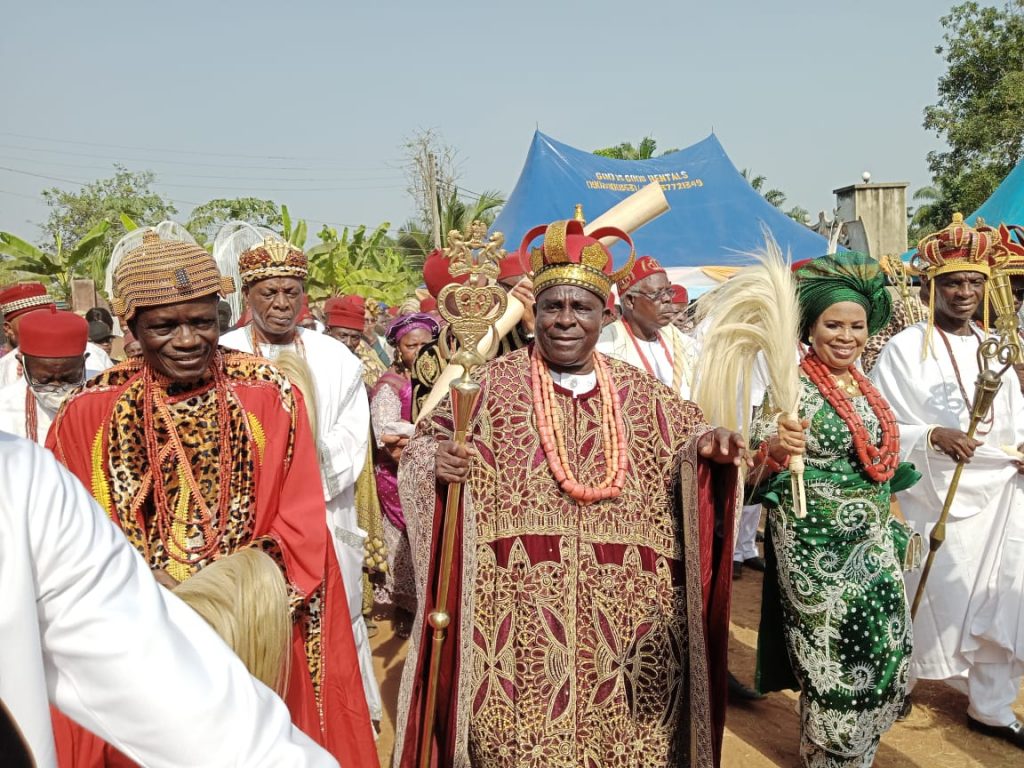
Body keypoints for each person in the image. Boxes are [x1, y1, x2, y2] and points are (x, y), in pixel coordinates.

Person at [393, 218, 745, 768]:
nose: (564, 320)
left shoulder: (644, 394)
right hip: (516, 627)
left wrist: (711, 451)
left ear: (606, 314)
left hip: (628, 623)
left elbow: (690, 444)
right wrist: (435, 461)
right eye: (553, 306)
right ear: (536, 312)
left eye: (580, 308)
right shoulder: (488, 386)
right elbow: (419, 449)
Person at [46, 231, 377, 767]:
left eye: (202, 322)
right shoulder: (89, 412)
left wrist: (220, 605)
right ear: (131, 329)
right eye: (164, 326)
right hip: (139, 642)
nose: (186, 340)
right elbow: (66, 540)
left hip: (256, 635)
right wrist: (156, 597)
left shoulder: (271, 397)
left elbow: (297, 528)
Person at [0, 431, 338, 768]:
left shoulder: (22, 480)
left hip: (250, 634)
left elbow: (189, 706)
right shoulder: (82, 416)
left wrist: (224, 595)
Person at [746, 252, 919, 767]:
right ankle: (829, 758)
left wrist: (896, 521)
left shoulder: (867, 390)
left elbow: (882, 463)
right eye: (833, 324)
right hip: (812, 546)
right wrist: (776, 445)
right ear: (810, 328)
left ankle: (858, 754)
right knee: (834, 655)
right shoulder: (787, 386)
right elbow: (753, 468)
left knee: (883, 645)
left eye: (857, 326)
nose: (846, 336)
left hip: (873, 541)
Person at [870, 214, 1024, 749]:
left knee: (998, 593)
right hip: (934, 495)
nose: (964, 292)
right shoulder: (905, 348)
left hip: (1000, 496)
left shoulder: (998, 345)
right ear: (931, 285)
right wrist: (932, 433)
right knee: (929, 589)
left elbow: (1015, 420)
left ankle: (991, 705)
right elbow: (880, 420)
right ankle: (902, 680)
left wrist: (1022, 450)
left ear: (987, 287)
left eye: (974, 282)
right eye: (953, 282)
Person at [218, 232, 381, 726]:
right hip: (246, 525)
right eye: (269, 292)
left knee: (333, 623)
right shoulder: (221, 355)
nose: (282, 303)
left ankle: (343, 725)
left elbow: (352, 441)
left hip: (324, 517)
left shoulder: (338, 359)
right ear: (248, 296)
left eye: (292, 291)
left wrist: (294, 491)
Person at [369, 313, 439, 636]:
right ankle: (405, 608)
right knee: (405, 544)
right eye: (413, 345)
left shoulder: (441, 379)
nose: (420, 350)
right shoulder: (390, 386)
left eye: (427, 344)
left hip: (434, 471)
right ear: (399, 349)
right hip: (398, 476)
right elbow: (386, 435)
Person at [597, 255, 698, 399]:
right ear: (630, 301)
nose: (668, 299)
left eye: (668, 291)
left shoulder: (676, 337)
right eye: (657, 293)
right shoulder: (605, 344)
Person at [0, 307, 87, 445]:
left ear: (84, 361)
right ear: (22, 363)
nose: (58, 388)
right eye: (45, 380)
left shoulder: (104, 396)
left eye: (69, 378)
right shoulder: (4, 410)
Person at [0, 283, 112, 385]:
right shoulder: (5, 368)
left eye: (44, 320)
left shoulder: (95, 355)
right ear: (7, 329)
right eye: (29, 324)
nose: (38, 329)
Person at [326, 294, 387, 387]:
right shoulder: (315, 360)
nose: (349, 343)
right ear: (329, 331)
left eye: (355, 337)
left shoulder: (363, 362)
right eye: (343, 336)